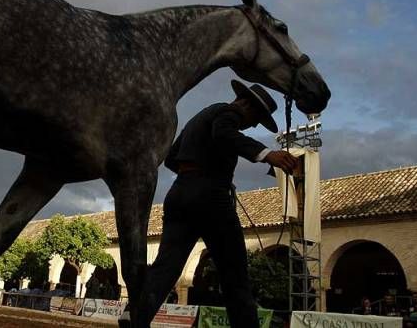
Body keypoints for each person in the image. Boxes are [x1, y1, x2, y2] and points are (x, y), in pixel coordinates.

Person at [122, 80, 298, 328]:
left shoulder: (199, 118)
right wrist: (267, 154)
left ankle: (136, 317)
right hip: (211, 198)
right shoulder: (228, 113)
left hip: (180, 193)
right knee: (235, 276)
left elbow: (171, 159)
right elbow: (225, 134)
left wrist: (201, 169)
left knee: (166, 267)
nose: (251, 125)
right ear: (246, 104)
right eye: (255, 119)